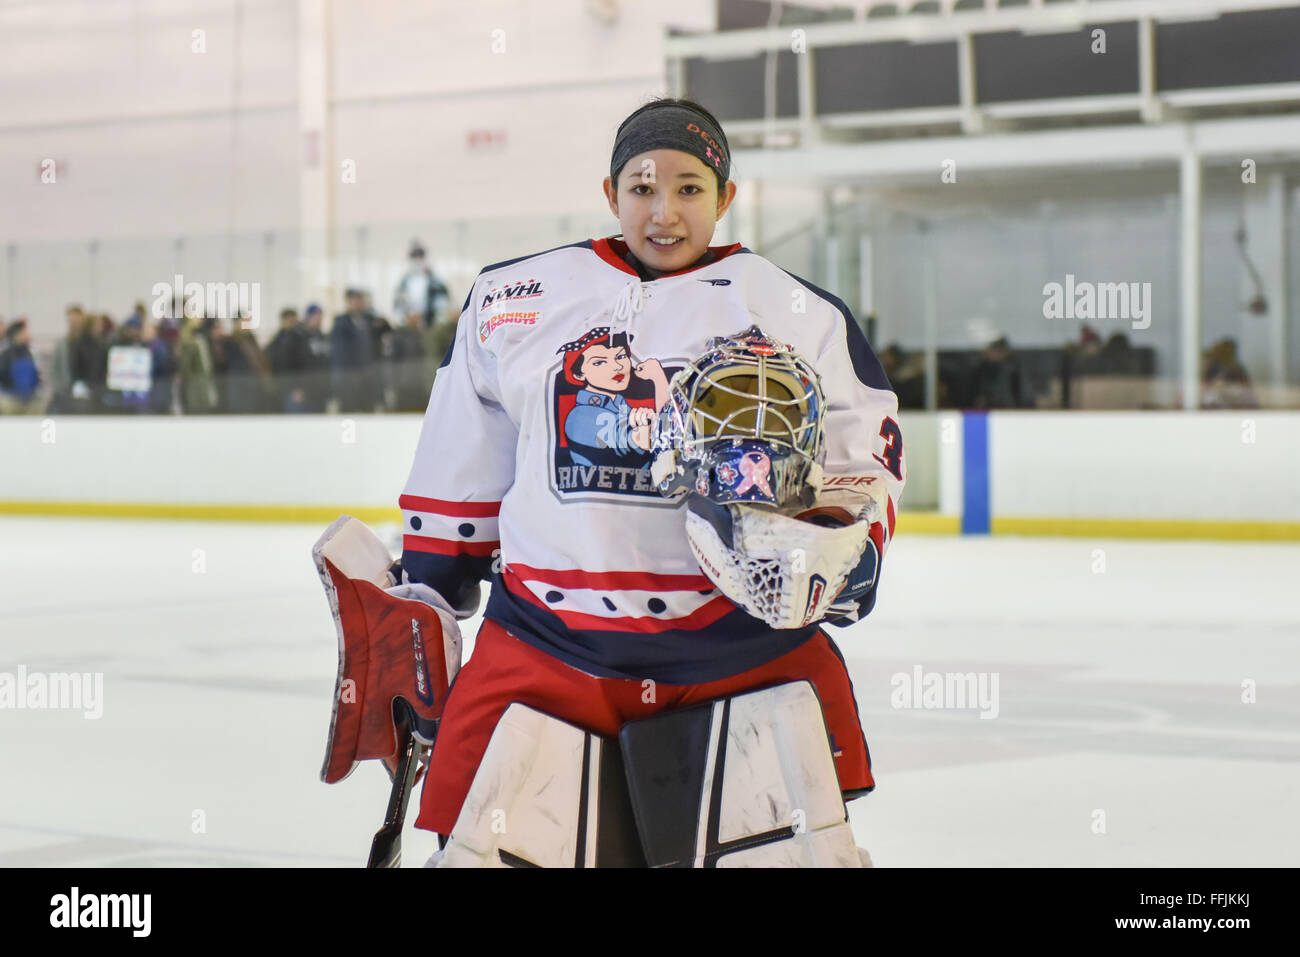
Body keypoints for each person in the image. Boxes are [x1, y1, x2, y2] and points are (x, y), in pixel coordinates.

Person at [391, 97, 906, 855]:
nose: (664, 211)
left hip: (738, 655)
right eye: (641, 188)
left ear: (727, 197)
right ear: (610, 193)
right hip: (543, 647)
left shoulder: (799, 312)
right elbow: (461, 457)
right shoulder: (512, 299)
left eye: (690, 189)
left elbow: (863, 459)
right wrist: (426, 595)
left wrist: (835, 546)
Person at [393, 241, 450, 329]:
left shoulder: (435, 280)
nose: (417, 261)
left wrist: (434, 319)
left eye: (420, 257)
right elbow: (398, 305)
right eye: (414, 257)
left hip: (430, 325)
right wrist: (405, 319)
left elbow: (442, 303)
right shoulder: (404, 281)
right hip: (410, 326)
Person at [0, 319, 42, 414]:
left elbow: (37, 376)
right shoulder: (6, 355)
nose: (27, 335)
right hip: (11, 399)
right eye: (24, 332)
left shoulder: (32, 353)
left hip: (30, 398)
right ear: (16, 335)